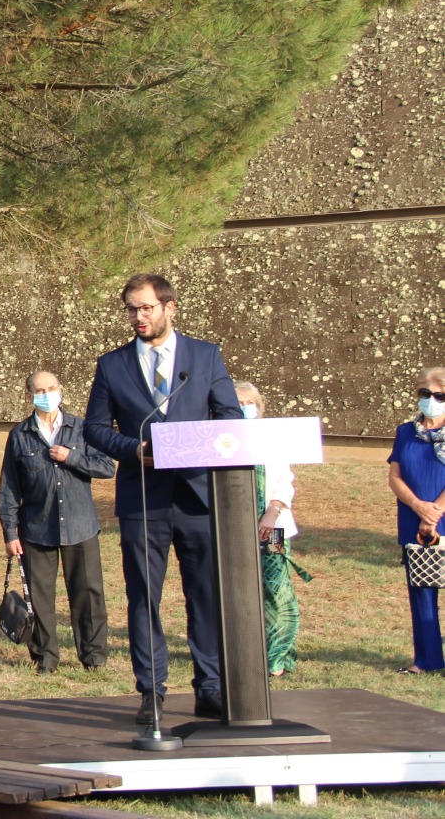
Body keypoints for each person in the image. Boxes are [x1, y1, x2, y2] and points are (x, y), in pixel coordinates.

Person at [84, 273, 241, 727]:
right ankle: (151, 690)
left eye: (147, 308)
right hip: (143, 498)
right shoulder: (112, 365)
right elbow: (95, 428)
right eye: (132, 309)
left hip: (197, 497)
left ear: (170, 308)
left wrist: (196, 445)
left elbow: (229, 415)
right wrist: (133, 449)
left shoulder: (205, 356)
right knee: (143, 598)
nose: (138, 316)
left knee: (205, 595)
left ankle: (210, 687)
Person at [0, 370, 114, 673]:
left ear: (61, 390)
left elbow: (106, 467)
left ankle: (93, 657)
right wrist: (10, 532)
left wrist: (71, 458)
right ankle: (45, 658)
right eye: (40, 391)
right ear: (29, 395)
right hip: (36, 528)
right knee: (39, 599)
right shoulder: (19, 435)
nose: (47, 395)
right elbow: (9, 488)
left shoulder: (82, 429)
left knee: (88, 594)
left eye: (51, 388)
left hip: (80, 526)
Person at [235, 382, 307, 677]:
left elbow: (283, 480)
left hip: (272, 527)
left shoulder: (272, 438)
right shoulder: (221, 440)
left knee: (275, 586)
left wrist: (272, 513)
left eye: (248, 402)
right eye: (238, 403)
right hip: (234, 527)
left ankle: (278, 655)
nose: (244, 408)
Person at [387, 367, 445, 675]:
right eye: (426, 393)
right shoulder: (405, 432)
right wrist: (417, 506)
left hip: (440, 517)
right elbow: (395, 476)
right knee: (422, 590)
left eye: (440, 395)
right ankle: (427, 660)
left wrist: (434, 512)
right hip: (413, 519)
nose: (431, 400)